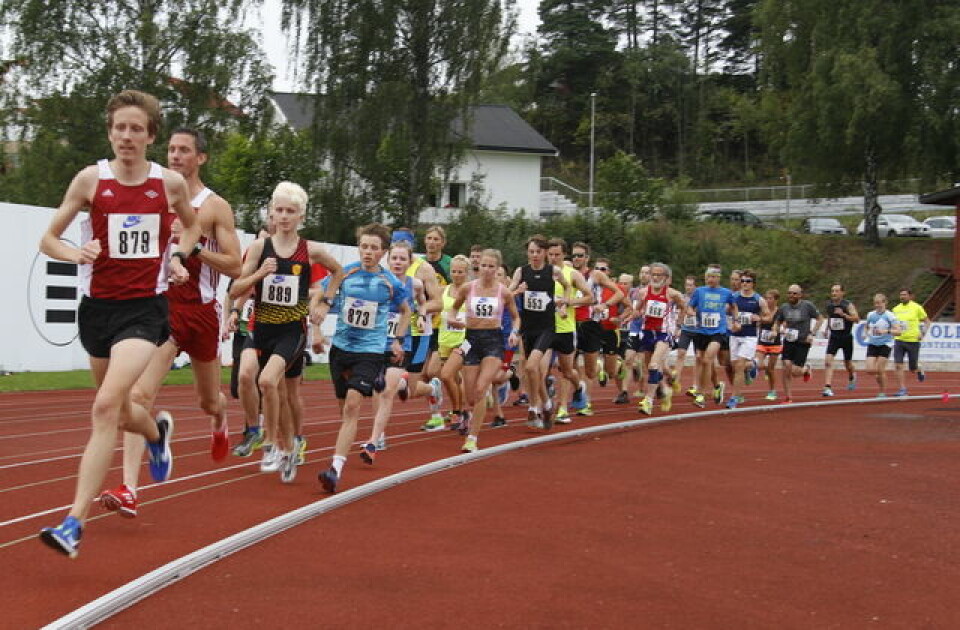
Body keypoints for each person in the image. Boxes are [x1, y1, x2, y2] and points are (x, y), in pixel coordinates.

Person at [38, 90, 200, 557]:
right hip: (97, 310)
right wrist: (76, 252)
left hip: (144, 310)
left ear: (151, 135)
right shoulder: (91, 180)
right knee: (117, 411)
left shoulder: (168, 184)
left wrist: (177, 254)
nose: (126, 136)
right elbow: (49, 238)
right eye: (119, 128)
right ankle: (156, 433)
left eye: (136, 129)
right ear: (110, 133)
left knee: (106, 407)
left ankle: (73, 523)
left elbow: (189, 227)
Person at [95, 127, 243, 519]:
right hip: (160, 310)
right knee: (139, 396)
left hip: (203, 312)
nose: (175, 156)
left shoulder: (214, 207)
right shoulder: (155, 194)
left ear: (201, 158)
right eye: (172, 149)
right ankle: (129, 488)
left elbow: (235, 264)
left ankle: (221, 419)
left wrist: (192, 248)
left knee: (207, 400)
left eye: (184, 150)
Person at [228, 182, 344, 483]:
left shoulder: (310, 251)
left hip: (291, 331)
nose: (283, 216)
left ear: (300, 216)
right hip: (261, 326)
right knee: (244, 376)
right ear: (271, 213)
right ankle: (256, 432)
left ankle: (275, 446)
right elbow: (235, 288)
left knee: (268, 381)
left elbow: (338, 271)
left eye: (290, 211)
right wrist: (258, 274)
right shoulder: (258, 248)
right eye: (278, 210)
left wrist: (326, 302)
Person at [318, 223, 410, 493]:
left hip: (370, 351)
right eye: (364, 246)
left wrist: (398, 340)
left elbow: (406, 312)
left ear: (383, 252)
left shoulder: (390, 283)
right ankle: (342, 449)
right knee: (343, 408)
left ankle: (335, 469)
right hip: (341, 349)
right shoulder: (345, 274)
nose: (368, 252)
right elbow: (320, 296)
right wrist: (315, 323)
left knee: (352, 406)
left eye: (374, 248)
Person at [360, 240, 442, 463]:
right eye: (394, 258)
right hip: (379, 341)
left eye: (402, 258)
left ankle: (430, 389)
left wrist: (422, 311)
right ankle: (378, 437)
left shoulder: (416, 282)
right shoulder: (380, 280)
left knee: (396, 389)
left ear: (410, 261)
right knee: (381, 388)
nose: (397, 262)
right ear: (388, 259)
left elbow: (429, 301)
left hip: (409, 339)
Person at [446, 249, 521, 451]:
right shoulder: (468, 289)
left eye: (491, 267)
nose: (487, 270)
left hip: (494, 341)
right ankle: (484, 396)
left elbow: (515, 317)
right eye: (483, 266)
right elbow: (453, 309)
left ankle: (472, 438)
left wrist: (514, 331)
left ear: (497, 269)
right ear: (478, 268)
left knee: (480, 389)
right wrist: (453, 319)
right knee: (471, 397)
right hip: (471, 340)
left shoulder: (503, 292)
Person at [508, 234, 569, 429]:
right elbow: (507, 294)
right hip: (528, 328)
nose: (534, 255)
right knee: (532, 370)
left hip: (547, 328)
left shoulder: (553, 271)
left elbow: (568, 287)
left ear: (544, 253)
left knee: (531, 367)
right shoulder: (521, 272)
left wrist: (564, 305)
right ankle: (548, 403)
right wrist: (517, 291)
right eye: (531, 252)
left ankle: (534, 407)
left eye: (538, 252)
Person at [570, 244, 624, 417]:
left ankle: (613, 366)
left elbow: (619, 293)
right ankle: (583, 399)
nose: (576, 259)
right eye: (574, 256)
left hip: (591, 323)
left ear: (587, 258)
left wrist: (605, 304)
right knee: (568, 364)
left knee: (591, 370)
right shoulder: (568, 273)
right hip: (571, 323)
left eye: (580, 256)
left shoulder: (596, 275)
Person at [545, 238, 594, 424]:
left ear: (564, 254)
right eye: (550, 254)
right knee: (539, 369)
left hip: (565, 328)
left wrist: (568, 302)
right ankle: (557, 408)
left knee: (566, 371)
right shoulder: (540, 271)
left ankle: (578, 386)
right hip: (544, 328)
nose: (553, 258)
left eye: (557, 254)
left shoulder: (572, 274)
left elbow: (590, 298)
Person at [633, 263, 686, 415]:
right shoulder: (643, 292)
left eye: (659, 275)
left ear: (666, 278)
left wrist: (678, 326)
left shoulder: (673, 294)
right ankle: (667, 386)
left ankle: (648, 401)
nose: (655, 278)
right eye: (653, 274)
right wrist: (631, 316)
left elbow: (683, 307)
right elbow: (638, 310)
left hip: (664, 333)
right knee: (652, 367)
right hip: (647, 332)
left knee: (654, 365)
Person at [685, 266, 738, 408]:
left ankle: (701, 394)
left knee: (708, 359)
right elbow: (690, 306)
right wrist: (690, 313)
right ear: (705, 277)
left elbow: (733, 307)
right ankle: (717, 386)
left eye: (714, 277)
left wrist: (736, 320)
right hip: (701, 331)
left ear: (719, 278)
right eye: (708, 276)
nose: (711, 279)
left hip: (718, 331)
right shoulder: (699, 291)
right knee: (704, 361)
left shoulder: (726, 293)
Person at [726, 269, 771, 408]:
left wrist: (760, 318)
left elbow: (768, 316)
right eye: (743, 281)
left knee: (739, 366)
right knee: (734, 366)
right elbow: (726, 312)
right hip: (734, 335)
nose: (744, 283)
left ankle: (734, 397)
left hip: (749, 336)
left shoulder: (758, 299)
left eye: (748, 281)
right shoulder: (733, 297)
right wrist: (732, 324)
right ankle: (754, 364)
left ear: (753, 283)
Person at [773, 284, 823, 404]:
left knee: (795, 371)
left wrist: (812, 333)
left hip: (802, 341)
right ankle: (788, 397)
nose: (791, 295)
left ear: (800, 295)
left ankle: (806, 369)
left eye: (794, 293)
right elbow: (777, 322)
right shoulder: (784, 307)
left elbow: (820, 319)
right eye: (789, 293)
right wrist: (775, 330)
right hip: (789, 341)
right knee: (786, 367)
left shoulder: (807, 306)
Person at [891, 288, 931, 396]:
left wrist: (922, 333)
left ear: (910, 296)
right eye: (901, 295)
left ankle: (919, 369)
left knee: (912, 368)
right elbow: (893, 323)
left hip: (913, 340)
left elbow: (927, 321)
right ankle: (902, 389)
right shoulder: (895, 309)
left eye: (904, 294)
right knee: (898, 365)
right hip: (899, 340)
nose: (902, 297)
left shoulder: (917, 307)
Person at [822, 284, 860, 396]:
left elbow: (857, 319)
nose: (834, 293)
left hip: (846, 337)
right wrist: (827, 328)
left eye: (837, 291)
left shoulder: (848, 305)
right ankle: (827, 387)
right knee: (828, 361)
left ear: (842, 293)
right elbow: (830, 317)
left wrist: (843, 314)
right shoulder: (829, 305)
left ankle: (852, 375)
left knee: (847, 363)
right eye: (832, 291)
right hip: (834, 337)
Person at [864, 293, 901, 397]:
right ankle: (880, 376)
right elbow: (866, 326)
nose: (877, 305)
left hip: (885, 344)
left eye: (879, 303)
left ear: (885, 303)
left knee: (880, 370)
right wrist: (866, 334)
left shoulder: (890, 316)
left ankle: (882, 392)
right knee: (870, 370)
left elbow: (898, 331)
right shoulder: (870, 314)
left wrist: (886, 331)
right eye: (875, 303)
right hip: (872, 343)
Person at [756, 289, 783, 401]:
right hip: (762, 342)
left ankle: (772, 391)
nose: (768, 301)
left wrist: (776, 330)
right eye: (766, 298)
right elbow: (758, 321)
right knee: (757, 364)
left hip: (774, 344)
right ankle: (766, 368)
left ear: (776, 300)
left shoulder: (780, 312)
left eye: (770, 298)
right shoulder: (762, 310)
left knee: (771, 369)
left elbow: (780, 323)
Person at [674, 275, 699, 397]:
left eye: (690, 285)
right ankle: (676, 380)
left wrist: (694, 314)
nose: (688, 287)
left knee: (698, 357)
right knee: (681, 353)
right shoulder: (683, 298)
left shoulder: (700, 298)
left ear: (695, 286)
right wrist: (678, 327)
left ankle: (695, 385)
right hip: (686, 329)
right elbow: (681, 312)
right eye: (686, 285)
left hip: (699, 331)